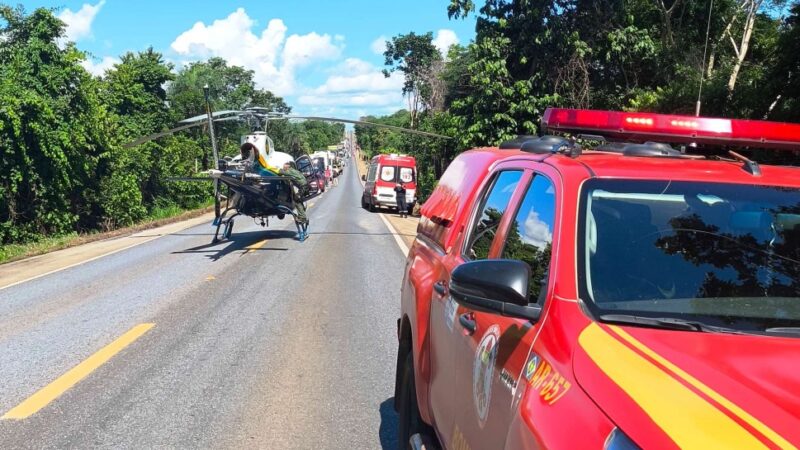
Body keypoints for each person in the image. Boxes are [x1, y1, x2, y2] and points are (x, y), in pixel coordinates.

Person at [280, 162, 310, 241]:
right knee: (299, 201)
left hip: (303, 188)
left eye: (284, 167)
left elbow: (281, 172)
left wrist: (278, 170)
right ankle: (302, 216)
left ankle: (302, 218)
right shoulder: (294, 171)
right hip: (305, 187)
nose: (283, 168)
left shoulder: (290, 171)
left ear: (287, 167)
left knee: (297, 201)